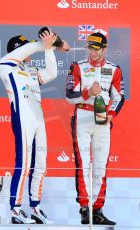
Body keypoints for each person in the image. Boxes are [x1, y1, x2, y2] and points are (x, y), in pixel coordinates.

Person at [0, 29, 70, 224]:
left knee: (40, 163)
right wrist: (49, 43)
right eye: (25, 50)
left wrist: (49, 50)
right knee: (24, 163)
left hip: (38, 120)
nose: (29, 53)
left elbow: (53, 73)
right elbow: (29, 48)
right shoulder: (6, 66)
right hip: (23, 118)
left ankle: (35, 207)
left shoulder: (31, 70)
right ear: (17, 51)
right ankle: (15, 209)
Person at [66, 32, 124, 225]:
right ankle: (84, 209)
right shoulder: (77, 67)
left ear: (104, 49)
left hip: (103, 120)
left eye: (96, 48)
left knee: (100, 166)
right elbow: (69, 96)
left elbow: (119, 98)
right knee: (82, 164)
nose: (92, 51)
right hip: (82, 116)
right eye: (89, 47)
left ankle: (97, 209)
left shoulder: (114, 70)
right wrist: (88, 92)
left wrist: (111, 114)